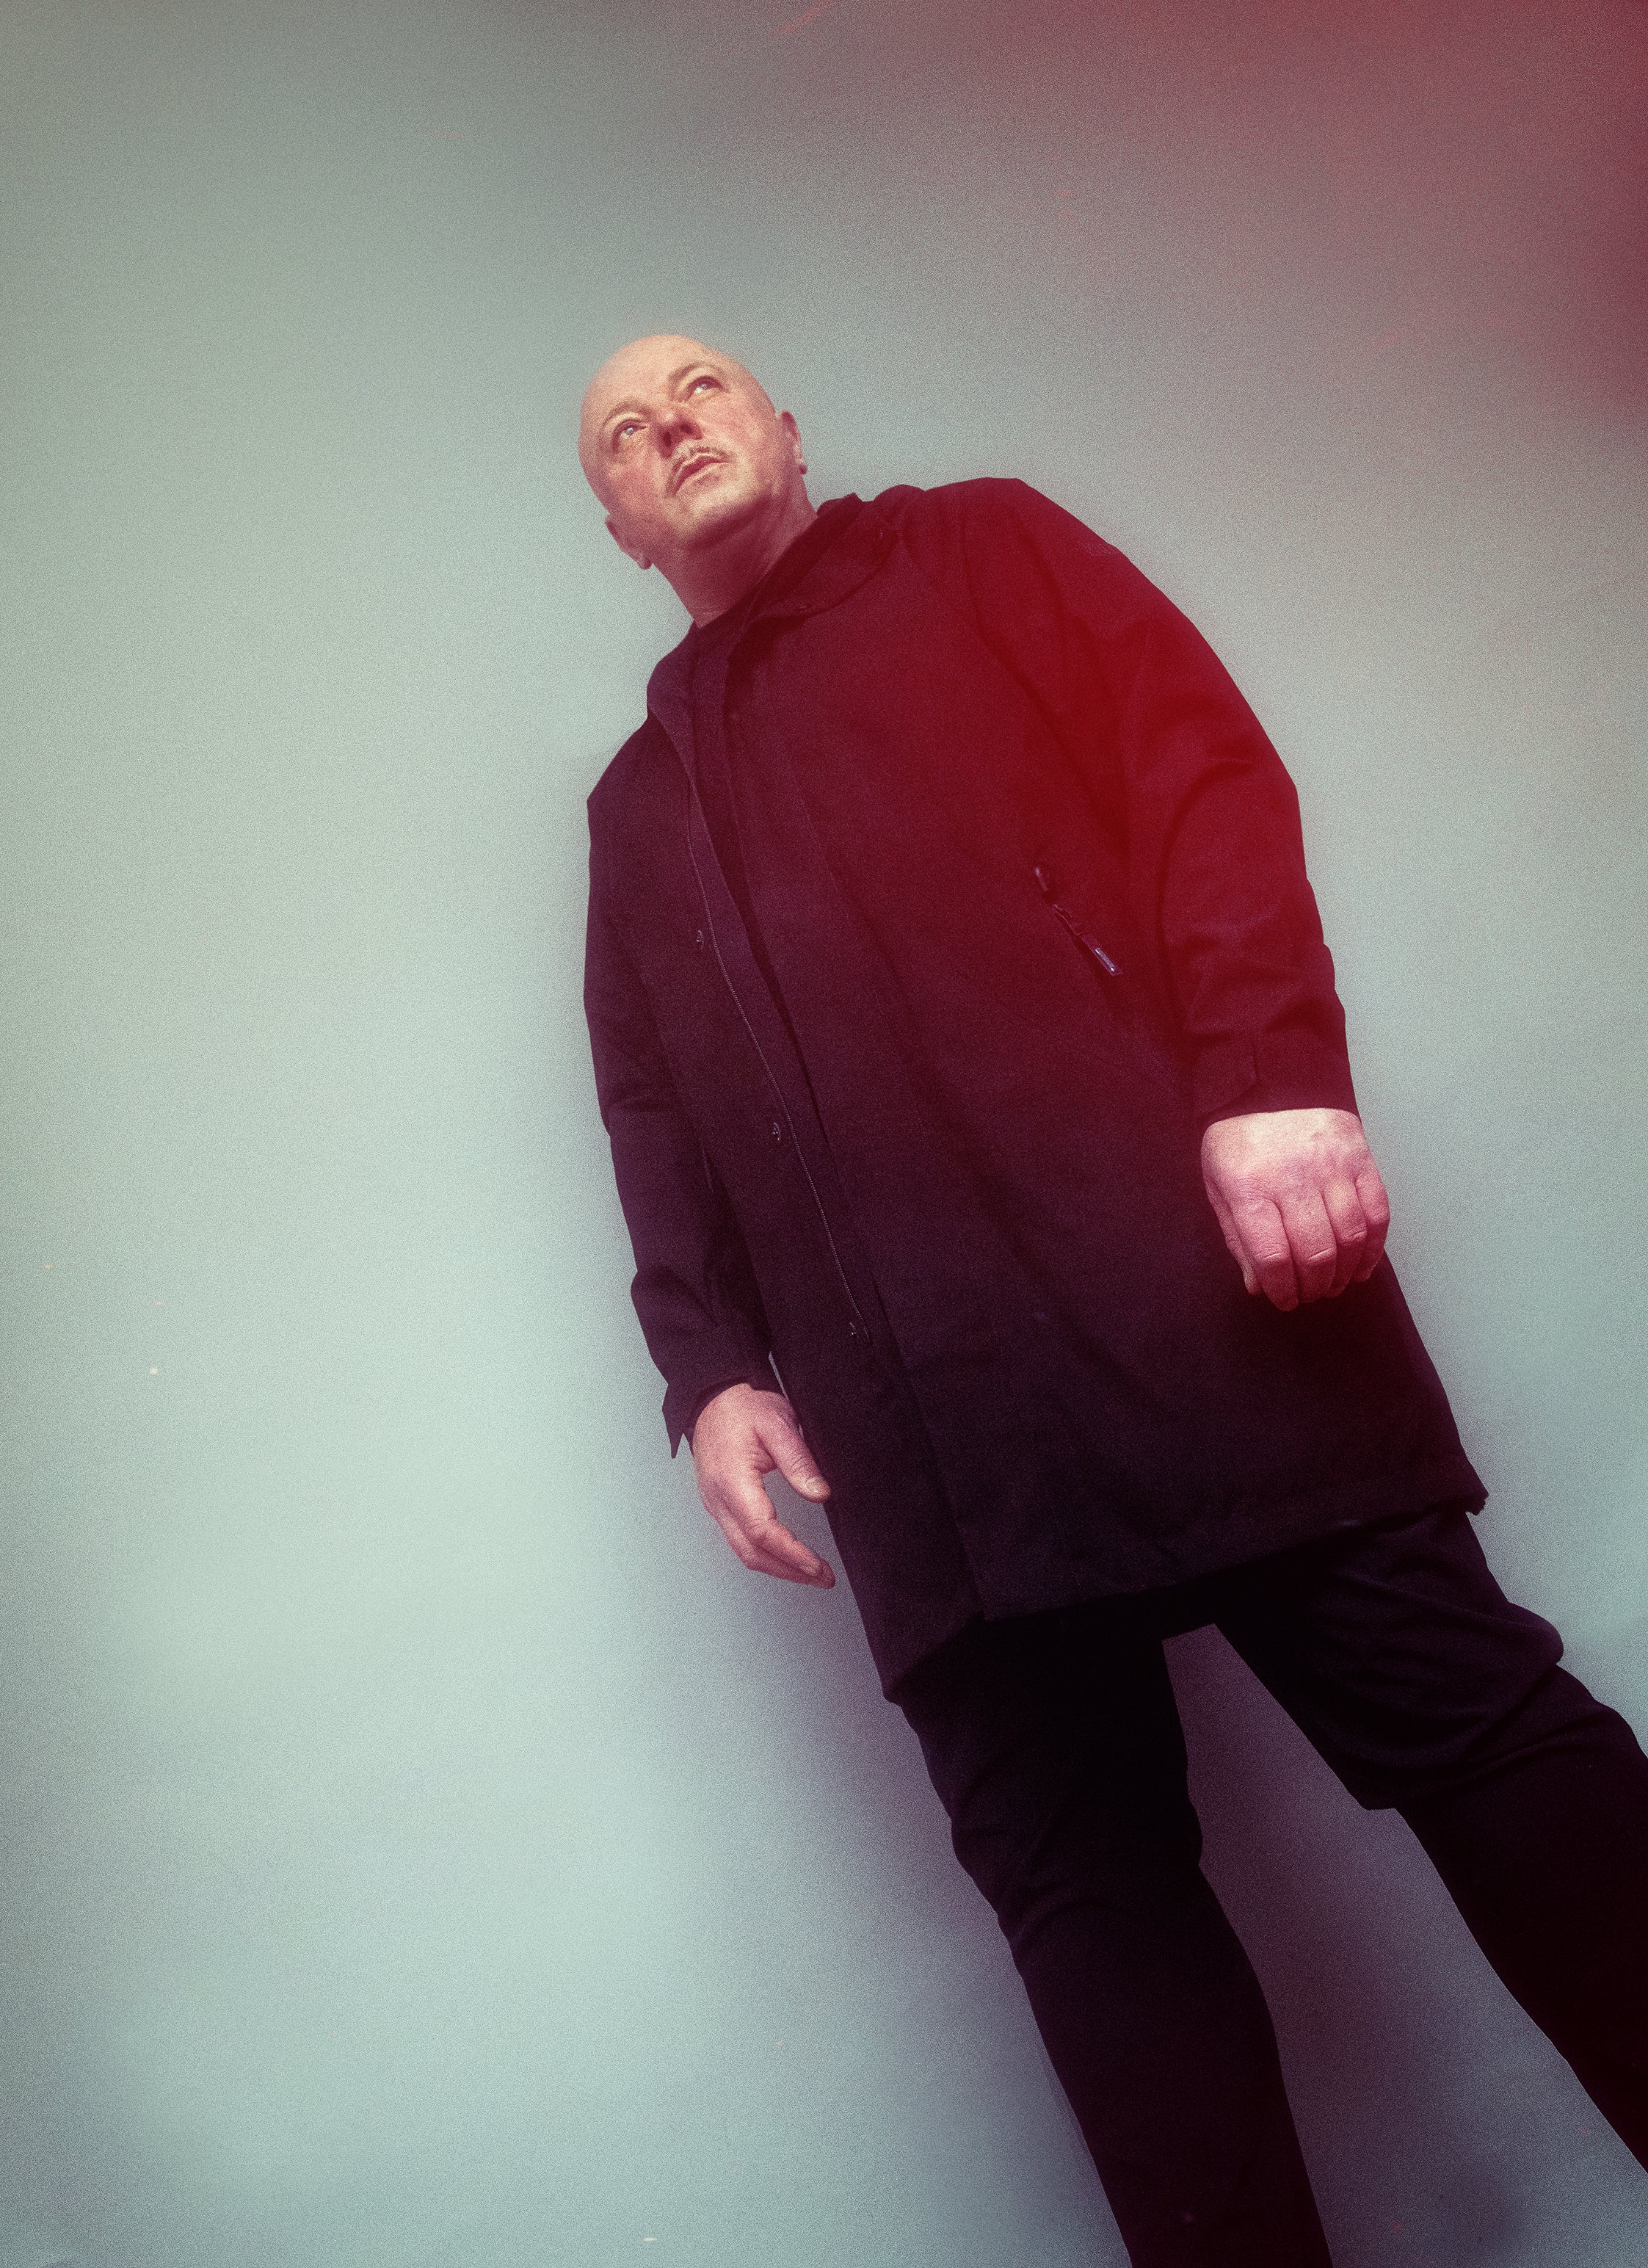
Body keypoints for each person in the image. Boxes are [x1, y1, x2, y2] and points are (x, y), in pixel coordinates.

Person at [576, 333, 1648, 2267]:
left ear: (788, 429)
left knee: (1480, 1734)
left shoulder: (988, 551)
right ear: (618, 528)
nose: (673, 427)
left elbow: (1200, 776)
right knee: (1088, 1909)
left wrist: (1271, 1072)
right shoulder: (638, 807)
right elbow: (648, 1103)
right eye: (625, 437)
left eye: (700, 388)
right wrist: (706, 1366)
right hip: (923, 1441)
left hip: (1191, 1284)